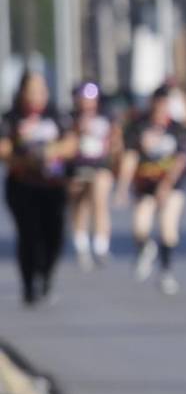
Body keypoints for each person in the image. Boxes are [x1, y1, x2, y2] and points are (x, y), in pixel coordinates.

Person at [0, 71, 74, 306]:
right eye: (32, 90)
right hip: (23, 185)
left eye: (41, 90)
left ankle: (46, 276)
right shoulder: (11, 117)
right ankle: (29, 284)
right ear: (22, 92)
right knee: (29, 234)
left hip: (52, 185)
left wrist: (51, 152)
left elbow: (71, 143)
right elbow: (4, 149)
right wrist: (26, 160)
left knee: (54, 235)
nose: (37, 95)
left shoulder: (55, 115)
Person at [115, 86, 186, 295]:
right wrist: (122, 187)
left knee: (168, 227)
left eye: (165, 104)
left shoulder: (176, 129)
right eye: (158, 104)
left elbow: (181, 160)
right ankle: (146, 249)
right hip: (145, 185)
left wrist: (166, 186)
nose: (161, 109)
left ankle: (166, 271)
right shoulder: (139, 127)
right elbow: (130, 158)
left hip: (172, 186)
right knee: (140, 226)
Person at [66, 81, 118, 271]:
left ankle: (101, 245)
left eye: (91, 99)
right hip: (77, 166)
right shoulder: (70, 118)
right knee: (80, 205)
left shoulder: (106, 117)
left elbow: (115, 141)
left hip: (100, 165)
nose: (88, 103)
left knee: (99, 200)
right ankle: (81, 245)